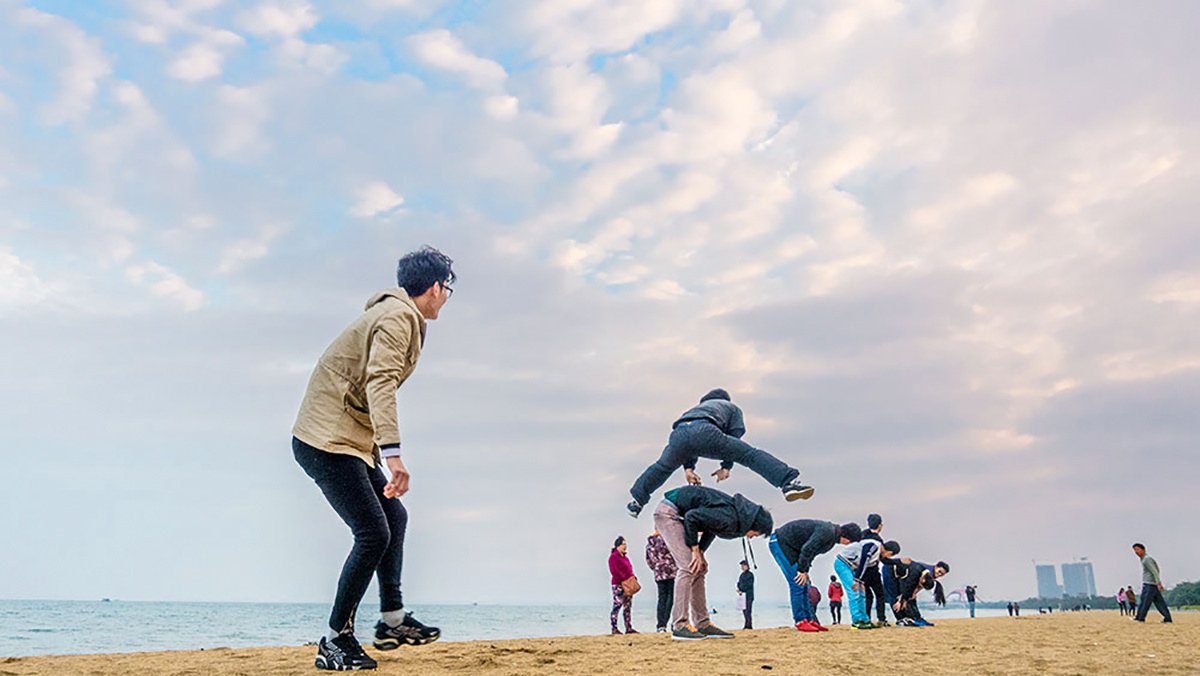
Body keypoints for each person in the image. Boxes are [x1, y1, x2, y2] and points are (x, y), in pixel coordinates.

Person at [292, 247, 453, 671]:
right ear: (436, 287)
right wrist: (394, 455)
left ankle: (392, 619)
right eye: (447, 288)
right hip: (325, 441)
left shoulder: (399, 316)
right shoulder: (397, 318)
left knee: (393, 518)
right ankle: (335, 639)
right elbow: (380, 382)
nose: (446, 297)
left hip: (347, 439)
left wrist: (376, 450)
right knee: (372, 533)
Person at [627, 390, 812, 517]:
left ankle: (637, 502)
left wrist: (688, 468)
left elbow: (690, 440)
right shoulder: (731, 407)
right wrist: (726, 466)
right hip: (706, 431)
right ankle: (788, 483)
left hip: (678, 434)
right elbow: (735, 437)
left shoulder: (694, 409)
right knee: (750, 455)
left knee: (662, 467)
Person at [652, 485, 773, 640]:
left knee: (699, 568)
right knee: (688, 566)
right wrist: (695, 551)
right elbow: (692, 517)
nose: (751, 537)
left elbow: (710, 527)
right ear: (754, 524)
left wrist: (701, 553)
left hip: (681, 515)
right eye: (756, 534)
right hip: (668, 513)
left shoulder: (735, 517)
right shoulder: (731, 517)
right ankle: (679, 625)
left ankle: (703, 624)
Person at [768, 518, 862, 633]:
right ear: (847, 537)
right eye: (850, 542)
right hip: (779, 543)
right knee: (797, 583)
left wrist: (805, 570)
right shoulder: (827, 532)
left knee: (804, 585)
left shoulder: (831, 536)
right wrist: (801, 570)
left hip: (793, 548)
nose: (848, 544)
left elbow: (811, 553)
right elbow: (807, 549)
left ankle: (809, 620)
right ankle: (800, 621)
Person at [835, 537, 900, 630]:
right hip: (843, 564)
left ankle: (864, 620)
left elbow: (866, 566)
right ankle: (856, 621)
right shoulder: (873, 546)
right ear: (890, 553)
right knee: (854, 592)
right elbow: (864, 561)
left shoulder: (877, 554)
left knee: (862, 593)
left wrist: (860, 581)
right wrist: (858, 580)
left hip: (853, 567)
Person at [891, 560, 949, 627]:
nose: (939, 574)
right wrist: (904, 597)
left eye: (942, 574)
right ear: (936, 567)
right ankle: (903, 619)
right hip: (900, 577)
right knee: (899, 598)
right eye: (939, 572)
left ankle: (916, 618)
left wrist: (915, 593)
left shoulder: (932, 575)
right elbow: (912, 583)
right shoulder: (928, 571)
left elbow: (921, 585)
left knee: (911, 597)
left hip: (909, 582)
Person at [1131, 543, 1172, 623]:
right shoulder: (1143, 559)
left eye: (1137, 549)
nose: (1136, 552)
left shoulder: (1147, 559)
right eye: (1135, 550)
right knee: (1159, 602)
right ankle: (1167, 618)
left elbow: (1154, 571)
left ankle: (1140, 618)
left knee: (1145, 601)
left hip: (1150, 584)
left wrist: (1158, 583)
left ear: (1143, 550)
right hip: (1151, 584)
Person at [860, 513, 889, 626]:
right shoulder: (878, 540)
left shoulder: (862, 535)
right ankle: (881, 619)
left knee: (868, 596)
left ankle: (867, 618)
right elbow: (881, 556)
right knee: (880, 595)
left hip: (861, 571)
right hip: (872, 570)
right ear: (880, 526)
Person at [645, 531, 677, 633]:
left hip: (659, 573)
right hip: (671, 570)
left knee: (661, 598)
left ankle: (661, 625)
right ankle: (669, 622)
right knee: (671, 597)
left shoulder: (650, 543)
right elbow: (675, 552)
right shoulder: (667, 538)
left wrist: (656, 568)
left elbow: (649, 560)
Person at [609, 536, 638, 635]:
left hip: (628, 585)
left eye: (625, 544)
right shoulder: (613, 557)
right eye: (623, 544)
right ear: (618, 546)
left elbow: (629, 569)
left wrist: (633, 578)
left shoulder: (625, 557)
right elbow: (614, 571)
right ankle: (614, 628)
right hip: (618, 585)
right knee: (617, 606)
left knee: (627, 607)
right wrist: (623, 580)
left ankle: (628, 627)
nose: (625, 547)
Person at [737, 560, 755, 630]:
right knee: (744, 611)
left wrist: (741, 589)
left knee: (748, 611)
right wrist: (739, 589)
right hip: (742, 596)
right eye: (741, 566)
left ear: (747, 566)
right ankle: (746, 624)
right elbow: (738, 583)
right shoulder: (741, 575)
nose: (742, 567)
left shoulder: (750, 575)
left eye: (744, 566)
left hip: (749, 595)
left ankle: (749, 625)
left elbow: (749, 585)